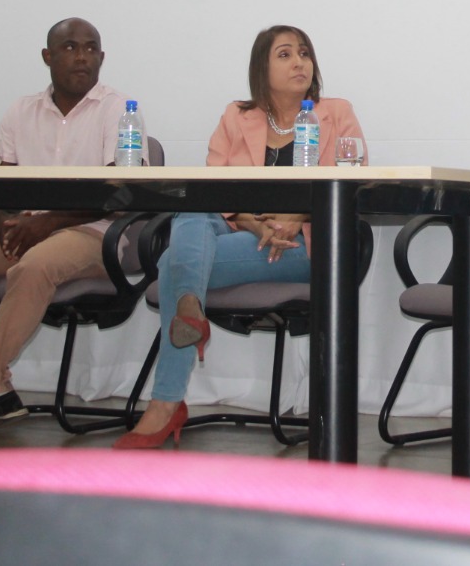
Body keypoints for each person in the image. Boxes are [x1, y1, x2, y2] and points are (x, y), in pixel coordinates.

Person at [113, 25, 364, 449]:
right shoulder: (237, 116)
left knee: (176, 261)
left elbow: (351, 177)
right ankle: (188, 320)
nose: (299, 61)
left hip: (305, 242)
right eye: (284, 54)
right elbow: (217, 188)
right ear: (261, 68)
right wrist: (259, 224)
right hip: (245, 229)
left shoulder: (335, 112)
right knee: (192, 207)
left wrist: (293, 217)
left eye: (304, 53)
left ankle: (166, 401)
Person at [0, 17, 130, 426]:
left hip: (91, 232)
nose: (82, 56)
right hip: (25, 228)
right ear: (47, 56)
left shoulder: (117, 109)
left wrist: (47, 224)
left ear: (102, 57)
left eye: (90, 48)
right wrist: (2, 225)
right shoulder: (21, 110)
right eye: (69, 47)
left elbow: (117, 192)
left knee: (34, 265)